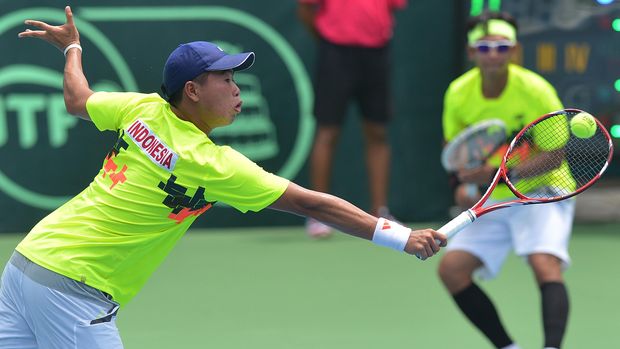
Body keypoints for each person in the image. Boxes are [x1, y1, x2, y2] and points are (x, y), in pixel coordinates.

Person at [0, 7, 446, 348]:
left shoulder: (139, 108)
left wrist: (72, 49)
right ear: (192, 90)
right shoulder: (214, 165)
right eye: (225, 78)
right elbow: (312, 203)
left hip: (26, 263)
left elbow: (78, 99)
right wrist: (400, 237)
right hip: (74, 289)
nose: (236, 88)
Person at [437, 11, 574, 349]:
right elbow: (455, 151)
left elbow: (555, 154)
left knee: (544, 264)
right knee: (452, 270)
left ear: (514, 51)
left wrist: (504, 173)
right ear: (472, 54)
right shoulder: (458, 93)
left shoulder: (536, 91)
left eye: (501, 47)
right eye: (484, 48)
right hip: (494, 196)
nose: (493, 54)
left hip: (543, 191)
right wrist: (463, 184)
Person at [297, 0, 406, 238]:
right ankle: (318, 214)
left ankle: (380, 213)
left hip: (377, 54)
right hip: (335, 52)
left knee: (378, 132)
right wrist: (330, 38)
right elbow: (305, 9)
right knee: (327, 132)